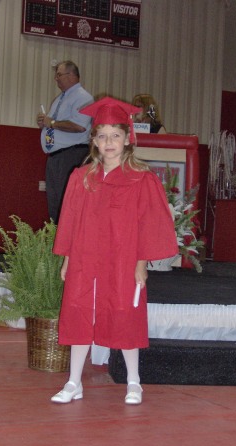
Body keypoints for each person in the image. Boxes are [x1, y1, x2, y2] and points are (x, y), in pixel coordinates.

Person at [50, 97, 178, 405]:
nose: (109, 142)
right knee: (79, 315)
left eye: (115, 135)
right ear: (93, 140)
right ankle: (73, 382)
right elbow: (69, 221)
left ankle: (134, 382)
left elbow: (149, 225)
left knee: (125, 316)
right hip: (84, 259)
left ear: (128, 139)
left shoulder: (141, 180)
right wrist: (67, 259)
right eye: (102, 135)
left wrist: (141, 264)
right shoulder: (81, 179)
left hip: (122, 262)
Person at [36, 60, 94, 223]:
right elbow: (55, 124)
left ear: (72, 75)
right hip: (56, 156)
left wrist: (52, 123)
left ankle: (65, 243)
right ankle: (56, 240)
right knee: (54, 202)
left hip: (71, 155)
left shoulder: (82, 97)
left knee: (65, 201)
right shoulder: (60, 99)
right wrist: (45, 125)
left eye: (59, 75)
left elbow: (80, 126)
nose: (56, 78)